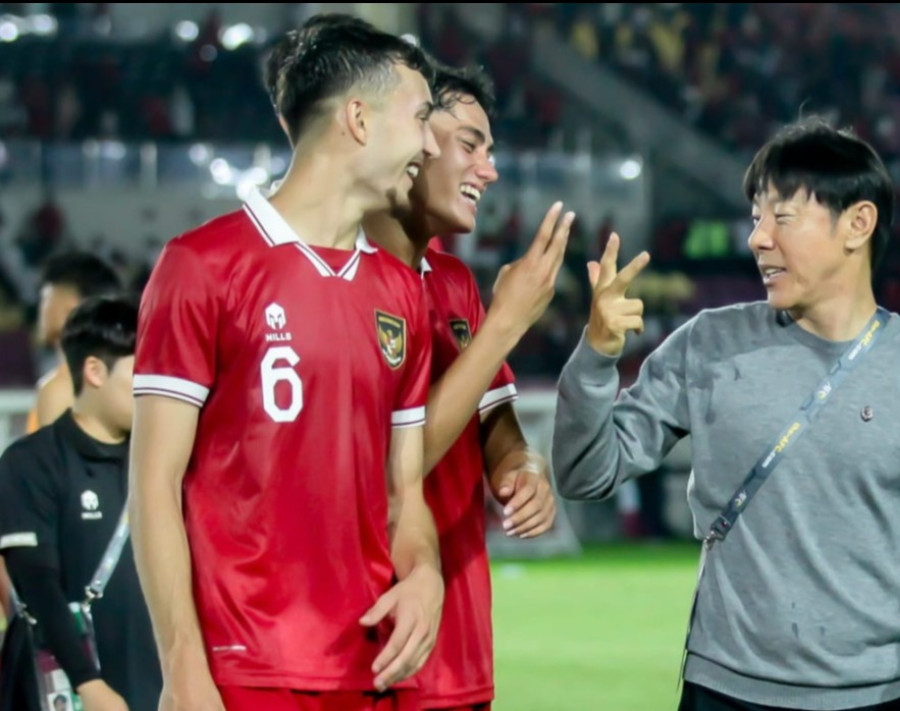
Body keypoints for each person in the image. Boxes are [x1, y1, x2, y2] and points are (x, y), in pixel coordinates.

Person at [551, 117, 900, 711]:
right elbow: (584, 474)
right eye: (755, 217)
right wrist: (595, 357)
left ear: (858, 223)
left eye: (782, 216)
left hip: (873, 698)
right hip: (722, 692)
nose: (757, 237)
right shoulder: (709, 345)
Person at [130, 14, 444, 711]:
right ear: (358, 118)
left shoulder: (400, 291)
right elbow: (153, 484)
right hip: (242, 672)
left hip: (368, 671)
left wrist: (424, 572)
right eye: (421, 117)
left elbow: (406, 493)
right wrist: (183, 666)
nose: (430, 143)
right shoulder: (201, 266)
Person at [362, 64, 565, 711]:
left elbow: (495, 428)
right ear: (412, 138)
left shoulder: (453, 284)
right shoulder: (340, 283)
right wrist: (506, 323)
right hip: (371, 643)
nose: (488, 169)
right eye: (470, 144)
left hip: (459, 645)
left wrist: (523, 467)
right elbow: (395, 462)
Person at [0, 296, 161, 711]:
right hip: (65, 689)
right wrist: (88, 683)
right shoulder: (31, 462)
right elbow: (37, 586)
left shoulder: (162, 461)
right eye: (139, 371)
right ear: (94, 371)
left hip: (151, 684)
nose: (152, 386)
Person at [27, 251, 123, 433]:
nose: (40, 308)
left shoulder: (61, 388)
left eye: (46, 297)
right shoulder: (112, 382)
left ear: (70, 305)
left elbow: (53, 461)